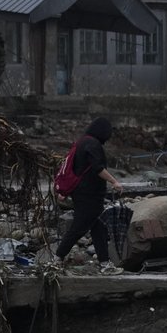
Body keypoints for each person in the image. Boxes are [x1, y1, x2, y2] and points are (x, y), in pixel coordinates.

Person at [56, 117, 124, 273]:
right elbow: (98, 168)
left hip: (83, 193)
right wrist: (115, 182)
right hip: (88, 195)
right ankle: (58, 257)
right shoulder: (93, 144)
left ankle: (105, 263)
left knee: (98, 227)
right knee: (79, 227)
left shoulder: (82, 142)